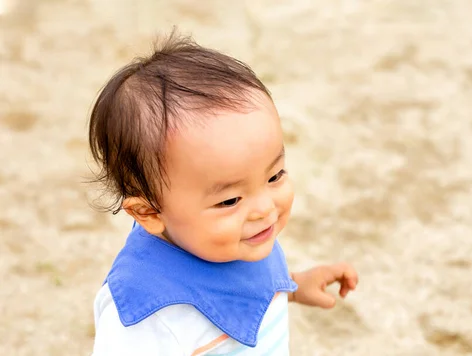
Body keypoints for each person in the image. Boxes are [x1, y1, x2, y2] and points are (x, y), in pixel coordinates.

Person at [88, 31, 358, 355]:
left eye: (275, 175)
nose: (264, 208)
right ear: (149, 213)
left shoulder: (235, 236)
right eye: (229, 200)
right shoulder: (147, 318)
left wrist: (295, 286)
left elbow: (241, 284)